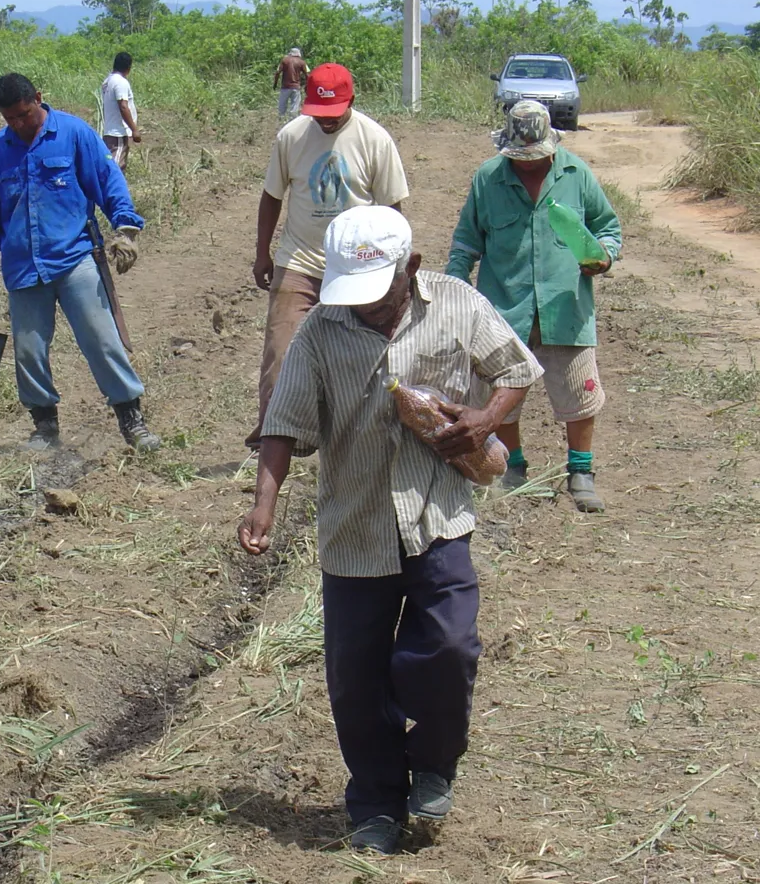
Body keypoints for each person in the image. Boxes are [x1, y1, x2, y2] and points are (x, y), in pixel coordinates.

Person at [238, 206, 543, 855]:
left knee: (448, 649)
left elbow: (517, 372)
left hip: (438, 518)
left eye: (378, 295)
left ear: (411, 268)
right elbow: (283, 423)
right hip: (355, 527)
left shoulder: (456, 305)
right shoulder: (323, 331)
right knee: (356, 679)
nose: (367, 309)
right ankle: (376, 800)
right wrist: (263, 505)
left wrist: (485, 420)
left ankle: (432, 762)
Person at [0, 73, 160, 452]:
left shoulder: (73, 133)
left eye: (24, 114)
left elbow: (107, 179)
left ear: (38, 98)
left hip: (73, 258)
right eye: (10, 119)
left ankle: (131, 419)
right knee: (29, 352)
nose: (18, 125)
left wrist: (126, 228)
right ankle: (44, 428)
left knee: (102, 342)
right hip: (22, 267)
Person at [446, 100, 622, 512]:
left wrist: (604, 256)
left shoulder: (576, 174)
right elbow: (466, 241)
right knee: (501, 395)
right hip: (504, 310)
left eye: (536, 157)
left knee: (581, 391)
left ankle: (580, 472)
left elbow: (607, 227)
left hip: (566, 309)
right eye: (521, 158)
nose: (529, 164)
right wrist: (454, 288)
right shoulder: (487, 179)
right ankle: (515, 466)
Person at [247, 62, 410, 450]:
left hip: (358, 268)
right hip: (300, 260)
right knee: (280, 353)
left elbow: (392, 212)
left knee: (362, 356)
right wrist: (262, 253)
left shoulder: (375, 140)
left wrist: (394, 271)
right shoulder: (291, 136)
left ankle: (358, 437)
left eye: (333, 115)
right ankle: (274, 437)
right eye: (319, 115)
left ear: (351, 100)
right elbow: (272, 196)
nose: (326, 122)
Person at [100, 52, 141, 172]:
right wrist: (134, 129)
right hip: (118, 133)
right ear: (128, 67)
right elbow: (123, 106)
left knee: (110, 166)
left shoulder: (107, 81)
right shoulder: (120, 82)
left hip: (110, 132)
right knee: (114, 171)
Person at [274, 47, 309, 122]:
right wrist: (308, 86)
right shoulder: (302, 62)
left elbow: (277, 72)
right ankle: (292, 123)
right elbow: (307, 74)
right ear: (298, 54)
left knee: (282, 106)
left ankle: (281, 121)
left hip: (285, 87)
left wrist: (275, 84)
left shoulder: (284, 60)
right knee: (294, 108)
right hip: (296, 87)